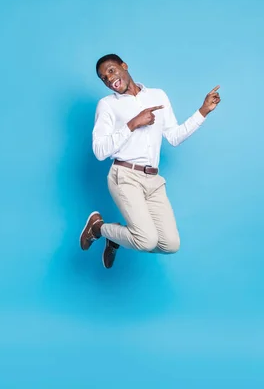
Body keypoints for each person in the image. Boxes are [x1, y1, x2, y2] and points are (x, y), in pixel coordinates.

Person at [79, 54, 221, 269]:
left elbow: (174, 136)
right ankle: (98, 228)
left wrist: (203, 112)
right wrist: (133, 123)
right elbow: (100, 151)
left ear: (124, 66)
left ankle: (114, 236)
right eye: (103, 78)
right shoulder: (107, 105)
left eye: (111, 71)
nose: (109, 79)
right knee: (146, 240)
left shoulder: (158, 95)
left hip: (153, 180)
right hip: (125, 176)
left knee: (170, 244)